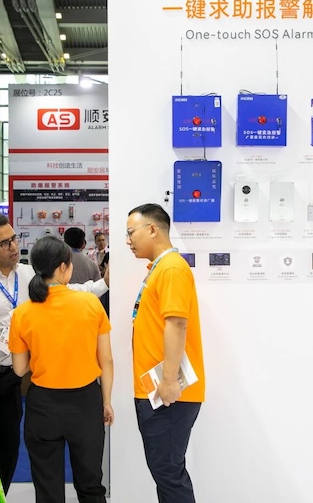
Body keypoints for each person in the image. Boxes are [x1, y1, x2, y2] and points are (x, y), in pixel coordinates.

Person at [0, 213, 110, 494]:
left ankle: (0, 496)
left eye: (14, 239)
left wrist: (104, 282)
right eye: (5, 243)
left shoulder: (28, 273)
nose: (13, 246)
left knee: (8, 448)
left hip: (12, 377)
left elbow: (68, 289)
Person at [9, 236, 114, 503]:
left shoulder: (22, 313)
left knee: (48, 489)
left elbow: (19, 369)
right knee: (91, 485)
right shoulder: (90, 304)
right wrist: (106, 402)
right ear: (64, 267)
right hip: (86, 403)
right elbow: (106, 361)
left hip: (42, 405)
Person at [126, 203, 205, 503]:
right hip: (155, 389)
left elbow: (176, 323)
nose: (128, 240)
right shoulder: (160, 268)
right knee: (165, 471)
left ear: (152, 229)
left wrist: (170, 380)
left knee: (168, 472)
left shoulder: (171, 268)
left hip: (169, 392)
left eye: (131, 232)